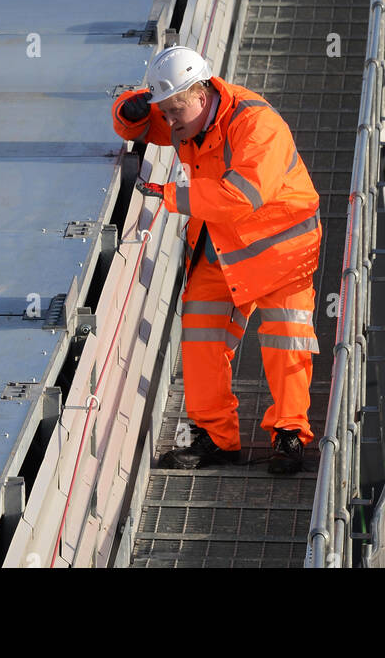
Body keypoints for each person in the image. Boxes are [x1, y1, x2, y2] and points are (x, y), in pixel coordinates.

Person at [111, 45, 322, 475]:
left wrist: (170, 196)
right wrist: (128, 111)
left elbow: (243, 195)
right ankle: (214, 438)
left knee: (287, 343)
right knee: (201, 341)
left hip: (281, 248)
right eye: (164, 112)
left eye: (173, 111)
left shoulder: (258, 125)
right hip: (221, 244)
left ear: (200, 93)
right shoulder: (185, 116)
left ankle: (290, 435)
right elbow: (132, 126)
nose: (168, 123)